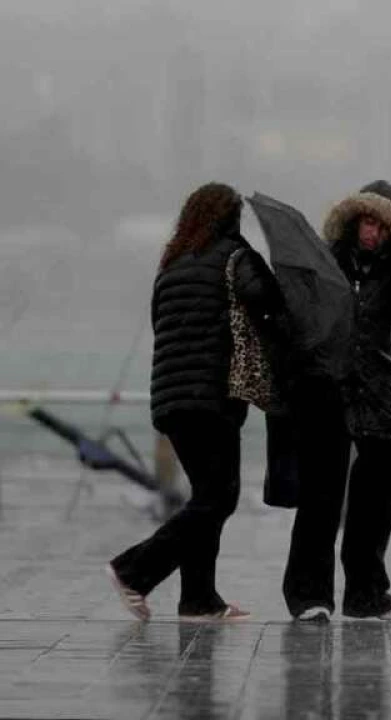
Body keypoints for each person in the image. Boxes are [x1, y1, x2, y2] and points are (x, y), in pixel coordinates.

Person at [106, 182, 288, 622]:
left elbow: (160, 323)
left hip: (170, 399)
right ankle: (133, 569)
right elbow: (269, 302)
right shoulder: (235, 258)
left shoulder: (170, 265)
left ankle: (199, 600)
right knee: (219, 498)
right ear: (230, 219)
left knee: (206, 497)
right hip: (211, 398)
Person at [283, 180, 391, 623]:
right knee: (321, 499)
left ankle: (366, 595)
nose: (372, 232)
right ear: (354, 219)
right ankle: (309, 595)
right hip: (329, 391)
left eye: (382, 224)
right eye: (367, 221)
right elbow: (303, 319)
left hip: (379, 391)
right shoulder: (327, 261)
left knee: (376, 502)